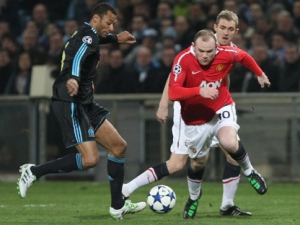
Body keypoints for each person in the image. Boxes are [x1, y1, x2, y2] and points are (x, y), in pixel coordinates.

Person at [122, 10, 268, 218]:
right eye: (222, 28)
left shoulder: (229, 51)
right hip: (191, 112)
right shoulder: (191, 54)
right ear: (215, 28)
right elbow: (173, 83)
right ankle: (131, 190)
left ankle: (228, 204)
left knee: (231, 148)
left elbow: (242, 58)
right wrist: (163, 105)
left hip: (219, 106)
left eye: (230, 29)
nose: (226, 33)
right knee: (182, 163)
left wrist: (260, 74)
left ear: (236, 31)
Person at [17, 3, 146, 220]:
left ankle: (117, 206)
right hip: (70, 101)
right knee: (90, 160)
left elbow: (95, 41)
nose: (112, 26)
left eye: (115, 23)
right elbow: (76, 58)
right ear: (96, 18)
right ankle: (34, 172)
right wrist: (75, 79)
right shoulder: (88, 37)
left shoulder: (89, 33)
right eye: (109, 22)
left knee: (118, 147)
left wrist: (116, 38)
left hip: (85, 102)